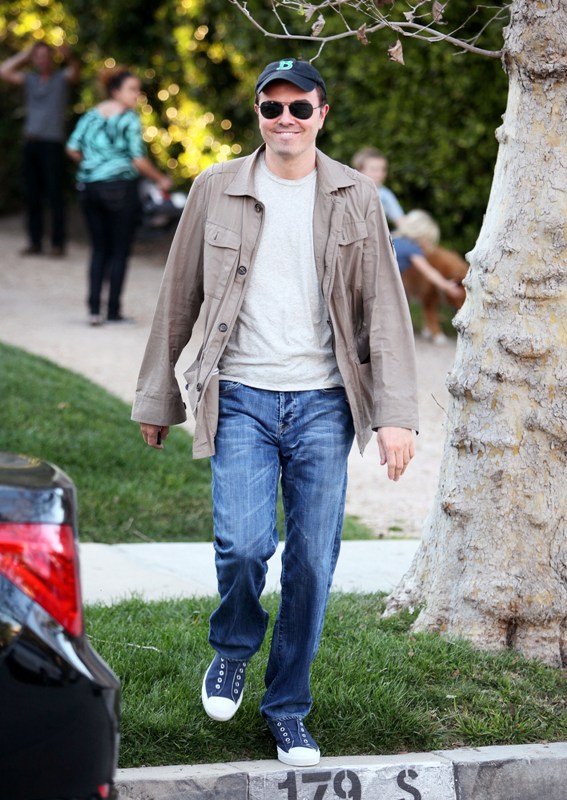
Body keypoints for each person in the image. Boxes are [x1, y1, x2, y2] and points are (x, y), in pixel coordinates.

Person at [132, 58, 419, 766]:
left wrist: (396, 414)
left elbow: (384, 307)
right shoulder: (217, 186)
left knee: (313, 564)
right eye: (272, 107)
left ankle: (287, 708)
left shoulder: (355, 195)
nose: (285, 119)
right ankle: (232, 647)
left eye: (299, 107)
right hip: (240, 396)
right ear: (257, 113)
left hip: (324, 403)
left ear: (322, 114)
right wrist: (159, 398)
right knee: (243, 544)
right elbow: (178, 295)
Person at [66, 67, 172, 326]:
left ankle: (94, 310)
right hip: (120, 190)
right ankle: (113, 311)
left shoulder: (91, 115)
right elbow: (137, 159)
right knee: (119, 250)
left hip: (89, 188)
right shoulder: (128, 118)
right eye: (132, 89)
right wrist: (160, 179)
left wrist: (94, 166)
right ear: (116, 91)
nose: (137, 95)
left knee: (99, 249)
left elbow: (72, 148)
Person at [0, 41, 81, 256]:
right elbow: (4, 70)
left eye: (45, 55)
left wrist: (69, 56)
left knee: (55, 195)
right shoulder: (29, 80)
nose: (42, 60)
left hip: (52, 143)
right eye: (38, 56)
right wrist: (26, 55)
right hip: (31, 143)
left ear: (52, 58)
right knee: (31, 195)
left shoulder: (60, 79)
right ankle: (35, 242)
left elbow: (75, 73)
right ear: (34, 59)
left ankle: (57, 244)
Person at [392, 210, 466, 343]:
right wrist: (447, 286)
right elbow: (429, 272)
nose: (429, 245)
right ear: (421, 236)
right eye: (429, 240)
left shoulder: (393, 239)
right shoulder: (412, 248)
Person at [352, 146, 405, 226]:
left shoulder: (385, 194)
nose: (379, 174)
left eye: (383, 170)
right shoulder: (347, 191)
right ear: (359, 170)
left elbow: (401, 221)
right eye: (374, 169)